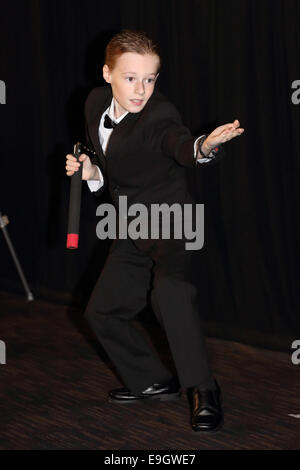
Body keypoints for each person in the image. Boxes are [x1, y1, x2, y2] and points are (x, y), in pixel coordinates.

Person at [65, 29, 244, 433]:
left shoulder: (160, 114)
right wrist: (91, 169)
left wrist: (203, 147)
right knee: (101, 311)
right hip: (130, 225)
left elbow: (180, 144)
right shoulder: (94, 103)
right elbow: (112, 162)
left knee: (169, 291)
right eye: (131, 78)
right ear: (107, 73)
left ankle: (204, 389)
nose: (141, 89)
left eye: (150, 78)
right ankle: (153, 382)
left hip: (172, 222)